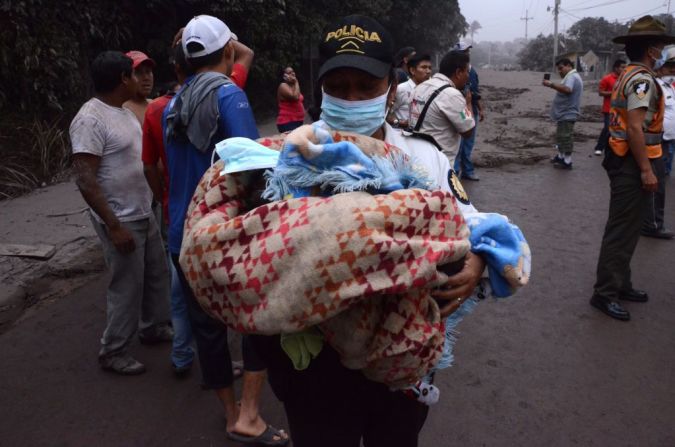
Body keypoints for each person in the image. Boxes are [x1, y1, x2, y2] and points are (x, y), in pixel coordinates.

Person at [249, 15, 489, 447]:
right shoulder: (291, 155)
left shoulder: (422, 156)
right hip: (317, 360)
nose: (351, 99)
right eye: (338, 88)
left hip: (400, 356)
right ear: (321, 91)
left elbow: (469, 223)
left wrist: (477, 260)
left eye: (366, 88)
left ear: (391, 91)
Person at [162, 15, 288, 445]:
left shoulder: (175, 102)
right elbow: (253, 169)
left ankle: (229, 411)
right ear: (229, 51)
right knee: (254, 321)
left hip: (182, 232)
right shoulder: (229, 96)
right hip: (225, 233)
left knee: (208, 329)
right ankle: (249, 416)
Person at [69, 51, 172, 375]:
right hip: (120, 218)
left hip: (143, 210)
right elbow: (85, 179)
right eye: (133, 74)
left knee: (156, 275)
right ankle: (113, 350)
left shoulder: (124, 113)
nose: (139, 79)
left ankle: (153, 327)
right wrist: (113, 226)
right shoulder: (90, 119)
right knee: (126, 285)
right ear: (122, 80)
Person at [590, 16, 675, 321]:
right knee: (622, 229)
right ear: (652, 50)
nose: (664, 52)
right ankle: (605, 293)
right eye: (662, 47)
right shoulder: (641, 80)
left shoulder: (630, 74)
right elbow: (636, 129)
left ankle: (621, 284)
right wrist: (646, 170)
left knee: (627, 227)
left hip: (625, 158)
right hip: (630, 161)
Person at [408, 50, 476, 160]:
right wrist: (468, 104)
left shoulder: (419, 87)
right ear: (458, 73)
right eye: (467, 72)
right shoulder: (452, 95)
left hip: (416, 156)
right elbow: (468, 131)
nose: (468, 76)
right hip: (440, 162)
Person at [642, 46, 675, 239]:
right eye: (669, 66)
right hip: (653, 141)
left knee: (659, 183)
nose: (673, 70)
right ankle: (652, 225)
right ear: (660, 68)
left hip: (666, 141)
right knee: (655, 186)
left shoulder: (671, 87)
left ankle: (650, 222)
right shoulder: (654, 86)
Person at [453, 41, 485, 181]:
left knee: (469, 142)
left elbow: (474, 92)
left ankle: (467, 170)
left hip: (472, 109)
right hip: (459, 109)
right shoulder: (454, 71)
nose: (466, 54)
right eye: (463, 51)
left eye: (467, 51)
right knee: (458, 142)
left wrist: (480, 108)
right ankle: (454, 171)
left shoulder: (472, 71)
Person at [543, 57, 583, 170]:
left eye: (561, 68)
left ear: (569, 66)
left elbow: (567, 89)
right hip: (564, 113)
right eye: (558, 69)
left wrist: (551, 84)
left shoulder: (571, 76)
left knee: (566, 137)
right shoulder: (571, 76)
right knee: (561, 136)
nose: (560, 71)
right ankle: (561, 157)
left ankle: (567, 161)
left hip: (568, 112)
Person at [386, 52, 432, 129]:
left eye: (430, 68)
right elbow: (386, 114)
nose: (428, 71)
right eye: (424, 67)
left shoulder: (431, 90)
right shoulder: (401, 89)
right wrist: (399, 122)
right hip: (400, 136)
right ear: (412, 70)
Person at [594, 59, 627, 156]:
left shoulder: (625, 78)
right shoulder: (607, 78)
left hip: (621, 109)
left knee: (618, 129)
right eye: (622, 67)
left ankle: (614, 147)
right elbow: (600, 92)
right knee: (608, 128)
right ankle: (599, 147)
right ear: (616, 68)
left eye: (625, 67)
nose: (624, 69)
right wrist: (614, 93)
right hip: (608, 109)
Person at [123, 51, 155, 125]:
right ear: (125, 78)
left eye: (148, 71)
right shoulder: (122, 109)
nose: (146, 78)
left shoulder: (156, 105)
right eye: (138, 72)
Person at [276, 66, 305, 132]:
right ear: (284, 76)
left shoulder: (294, 86)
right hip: (287, 122)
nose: (293, 74)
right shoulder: (283, 86)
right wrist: (296, 81)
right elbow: (295, 97)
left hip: (298, 121)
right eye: (289, 73)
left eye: (293, 71)